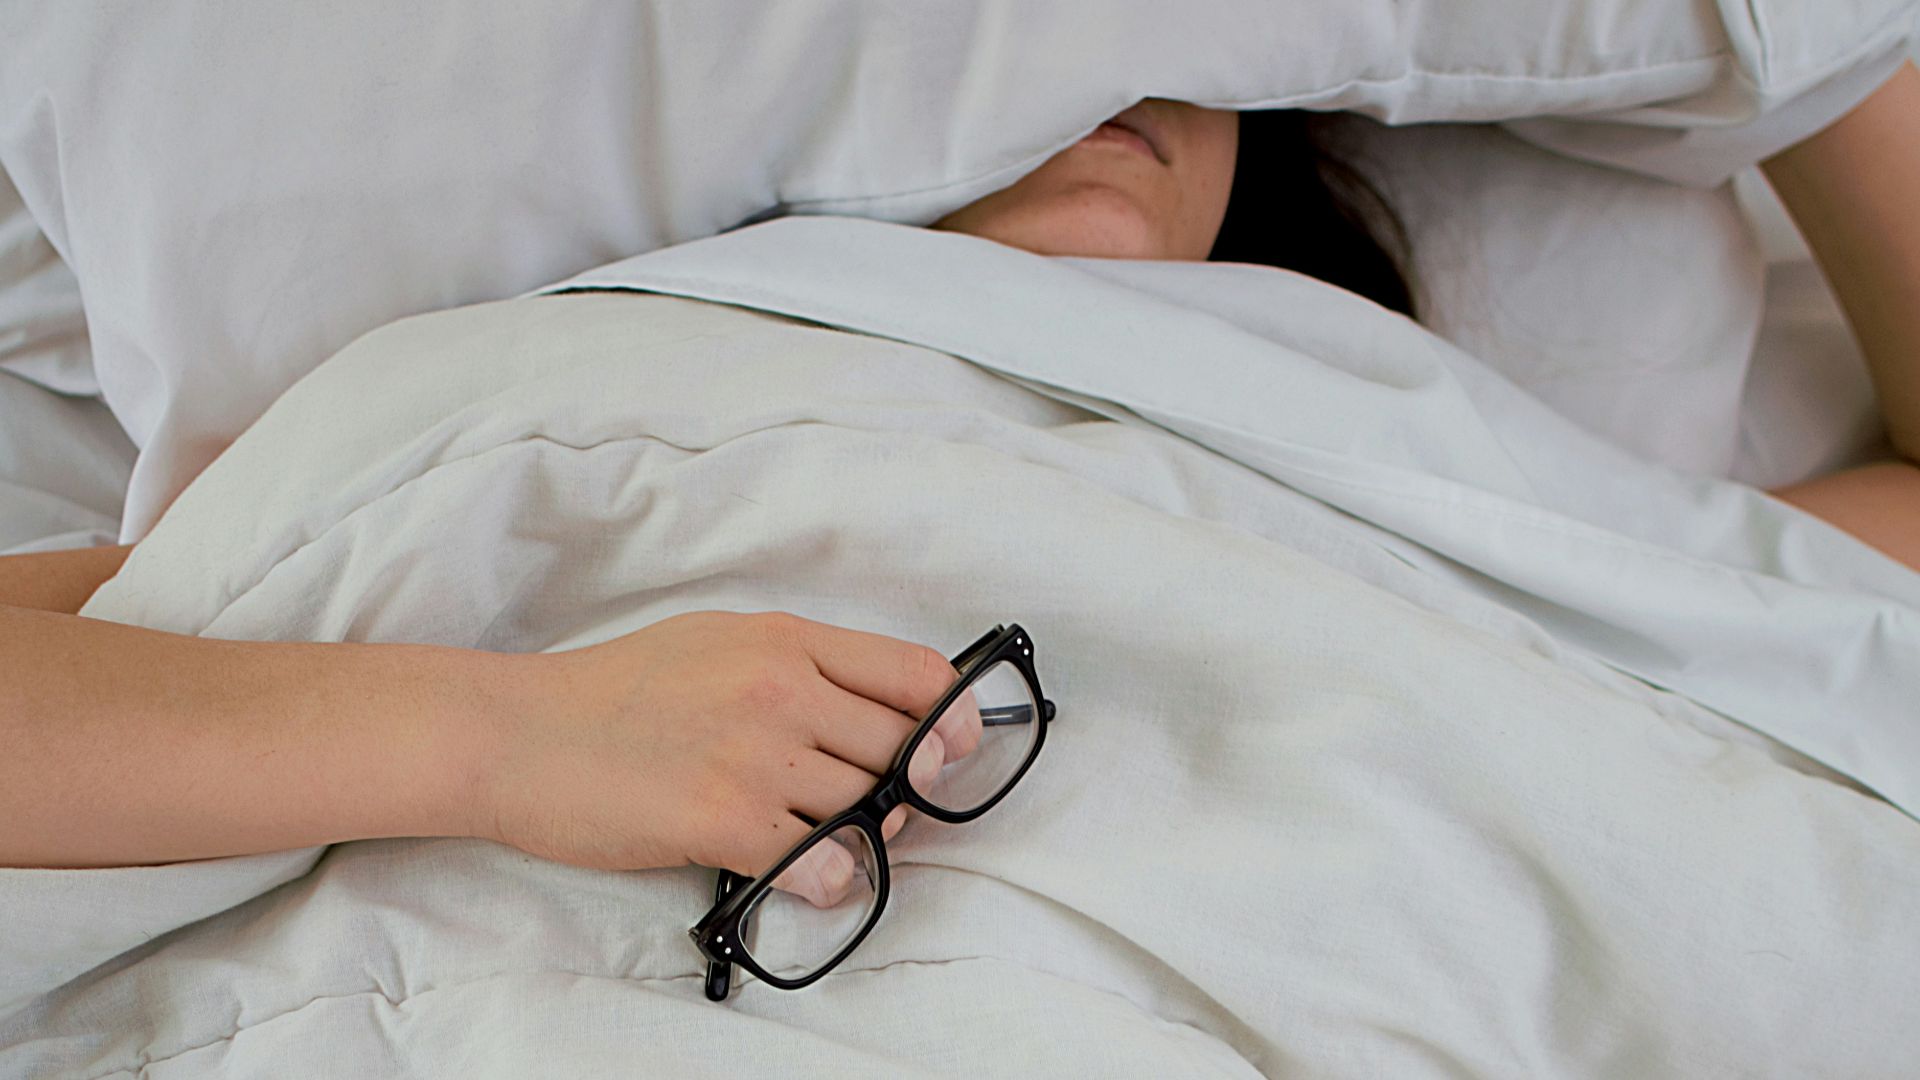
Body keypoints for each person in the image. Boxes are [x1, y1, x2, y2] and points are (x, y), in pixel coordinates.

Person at [3, 72, 1917, 897]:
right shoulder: (573, 394)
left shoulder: (1406, 450)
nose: (1104, 64)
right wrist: (507, 738)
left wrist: (1813, 51)